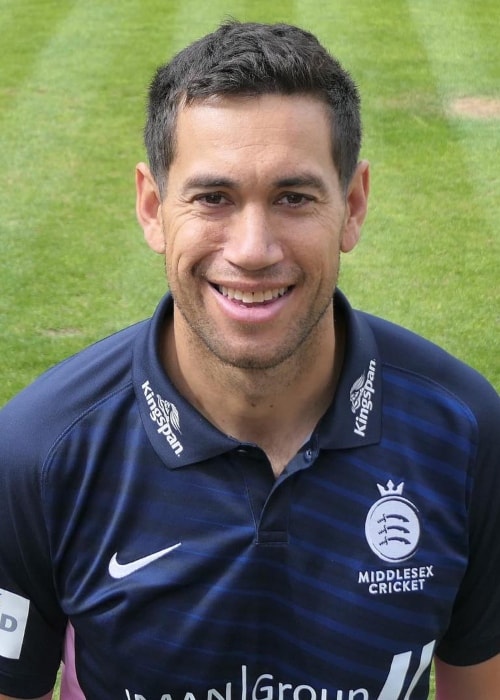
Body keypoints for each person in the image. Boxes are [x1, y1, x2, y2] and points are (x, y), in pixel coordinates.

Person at [0, 20, 499, 700]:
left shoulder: (466, 433)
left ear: (352, 207)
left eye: (293, 197)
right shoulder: (39, 452)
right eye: (214, 198)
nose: (254, 248)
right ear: (152, 207)